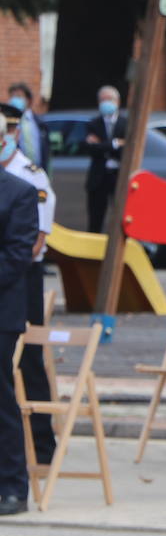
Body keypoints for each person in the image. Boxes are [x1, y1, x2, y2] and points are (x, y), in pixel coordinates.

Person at [3, 103, 56, 465]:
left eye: (10, 130)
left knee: (29, 362)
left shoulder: (29, 177)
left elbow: (34, 240)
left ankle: (41, 441)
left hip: (21, 280)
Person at [0, 165, 39, 516]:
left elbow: (16, 256)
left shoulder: (20, 192)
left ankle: (12, 487)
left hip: (1, 314)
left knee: (1, 401)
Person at [83, 85, 126, 234]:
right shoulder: (92, 124)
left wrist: (101, 145)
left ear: (118, 102)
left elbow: (127, 149)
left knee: (121, 218)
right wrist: (114, 144)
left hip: (119, 176)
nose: (105, 103)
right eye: (102, 100)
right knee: (95, 221)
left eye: (109, 99)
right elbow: (91, 149)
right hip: (98, 178)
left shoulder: (126, 123)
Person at [7, 82, 49, 170]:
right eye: (12, 96)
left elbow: (47, 153)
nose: (15, 100)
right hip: (17, 172)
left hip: (38, 170)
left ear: (28, 100)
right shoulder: (7, 123)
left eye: (18, 96)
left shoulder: (40, 123)